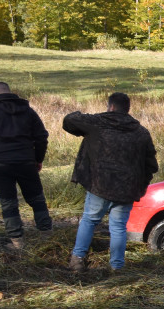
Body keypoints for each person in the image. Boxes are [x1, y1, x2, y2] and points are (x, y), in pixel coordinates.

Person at [64, 92, 158, 272]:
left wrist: (89, 114)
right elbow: (151, 165)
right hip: (127, 189)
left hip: (100, 185)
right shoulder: (141, 132)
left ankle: (77, 260)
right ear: (128, 109)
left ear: (111, 107)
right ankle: (117, 267)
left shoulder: (97, 123)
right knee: (118, 228)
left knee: (89, 220)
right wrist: (140, 185)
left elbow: (69, 120)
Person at [0, 81, 52, 251]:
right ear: (10, 92)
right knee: (37, 198)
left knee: (8, 203)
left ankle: (17, 241)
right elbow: (41, 136)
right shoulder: (27, 111)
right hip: (25, 162)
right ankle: (46, 235)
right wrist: (38, 158)